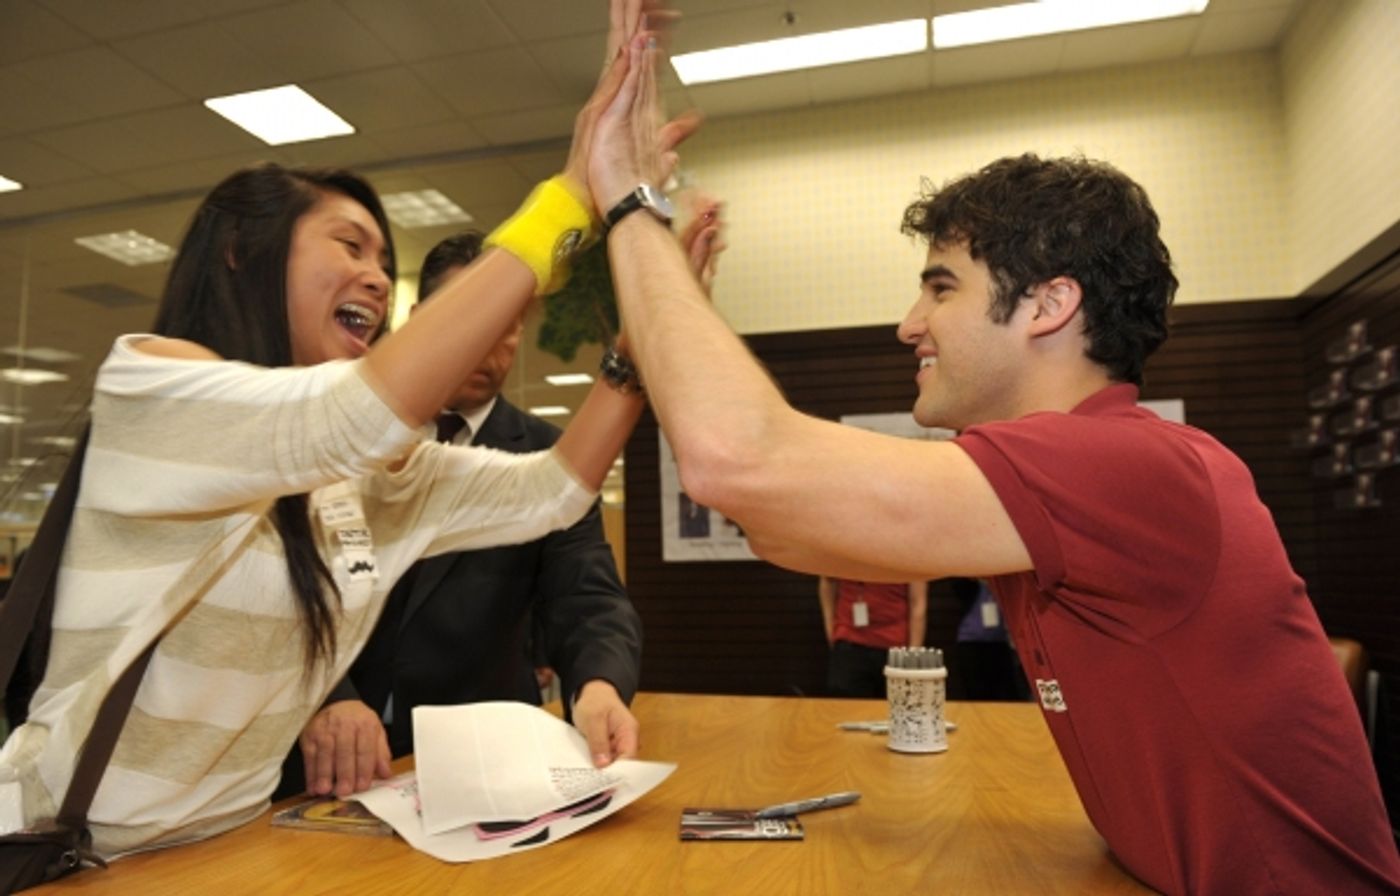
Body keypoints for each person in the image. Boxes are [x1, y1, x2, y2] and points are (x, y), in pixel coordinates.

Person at [582, 32, 1400, 895]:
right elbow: (785, 532)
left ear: (1049, 305)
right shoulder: (1045, 483)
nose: (909, 323)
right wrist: (682, 333)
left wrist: (629, 207)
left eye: (940, 288)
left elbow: (736, 464)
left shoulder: (1124, 463)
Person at [0, 0, 683, 859]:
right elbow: (347, 417)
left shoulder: (354, 480)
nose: (375, 276)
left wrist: (639, 344)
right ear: (245, 253)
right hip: (80, 851)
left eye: (384, 264)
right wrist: (572, 199)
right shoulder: (155, 384)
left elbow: (553, 491)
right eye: (350, 246)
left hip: (236, 841)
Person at [280, 228, 648, 799]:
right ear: (422, 316)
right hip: (326, 758)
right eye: (471, 315)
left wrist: (597, 686)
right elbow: (287, 587)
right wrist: (329, 695)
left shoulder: (551, 457)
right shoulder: (345, 432)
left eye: (506, 324)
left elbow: (589, 597)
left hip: (481, 765)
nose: (487, 340)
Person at [817, 576, 926, 698]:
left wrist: (912, 657)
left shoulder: (910, 557)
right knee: (846, 711)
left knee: (894, 712)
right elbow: (827, 582)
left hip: (896, 648)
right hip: (848, 642)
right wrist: (832, 631)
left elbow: (918, 603)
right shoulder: (842, 556)